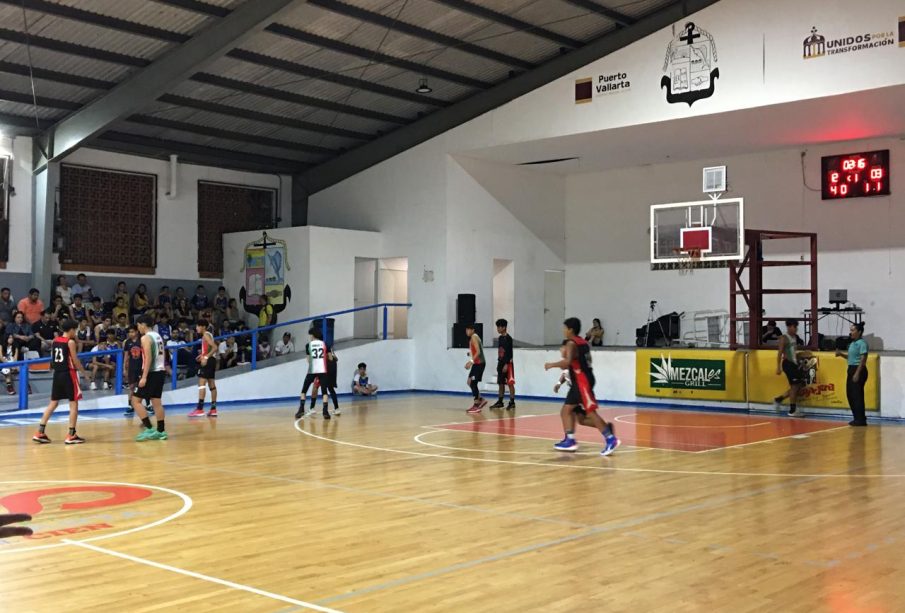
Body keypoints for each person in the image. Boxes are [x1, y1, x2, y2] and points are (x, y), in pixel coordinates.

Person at [544, 317, 620, 456]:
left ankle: (610, 438)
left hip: (581, 381)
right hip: (582, 379)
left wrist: (551, 365)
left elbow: (567, 362)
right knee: (570, 412)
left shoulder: (572, 343)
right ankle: (570, 439)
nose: (563, 330)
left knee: (589, 412)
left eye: (565, 328)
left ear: (570, 329)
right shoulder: (583, 342)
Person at [32, 319, 90, 445]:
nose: (76, 333)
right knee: (74, 404)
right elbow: (75, 361)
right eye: (75, 330)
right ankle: (71, 434)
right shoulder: (70, 342)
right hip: (69, 373)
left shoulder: (55, 340)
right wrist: (85, 374)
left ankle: (40, 431)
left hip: (57, 374)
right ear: (72, 330)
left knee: (53, 403)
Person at [131, 315, 169, 441]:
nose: (138, 328)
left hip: (151, 372)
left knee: (135, 401)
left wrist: (144, 377)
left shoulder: (146, 338)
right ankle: (161, 431)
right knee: (156, 402)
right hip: (160, 371)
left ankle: (149, 428)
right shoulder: (158, 336)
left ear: (143, 324)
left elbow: (148, 358)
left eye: (138, 325)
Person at [774, 319, 809, 417]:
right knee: (794, 387)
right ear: (789, 327)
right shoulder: (784, 338)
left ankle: (779, 399)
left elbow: (793, 353)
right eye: (794, 327)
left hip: (794, 364)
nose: (796, 329)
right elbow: (780, 353)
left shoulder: (795, 337)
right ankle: (792, 410)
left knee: (799, 385)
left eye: (796, 327)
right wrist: (778, 367)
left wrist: (802, 358)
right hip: (787, 364)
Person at [837, 322, 869, 427]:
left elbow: (863, 360)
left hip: (858, 369)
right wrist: (841, 354)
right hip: (851, 369)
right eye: (850, 330)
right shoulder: (852, 343)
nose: (850, 332)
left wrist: (857, 373)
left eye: (853, 330)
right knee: (850, 394)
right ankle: (857, 418)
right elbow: (851, 358)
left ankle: (860, 419)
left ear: (859, 332)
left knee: (857, 395)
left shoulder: (862, 343)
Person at [295, 327, 327, 419]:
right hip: (322, 370)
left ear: (313, 335)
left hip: (312, 370)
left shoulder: (308, 345)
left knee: (304, 390)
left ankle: (301, 409)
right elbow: (327, 357)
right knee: (324, 392)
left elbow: (308, 360)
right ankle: (325, 411)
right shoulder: (324, 344)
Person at [189, 320, 218, 418]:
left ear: (203, 327)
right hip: (212, 360)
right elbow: (209, 348)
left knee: (201, 384)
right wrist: (202, 354)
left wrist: (205, 357)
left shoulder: (205, 335)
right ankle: (213, 409)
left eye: (197, 326)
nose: (196, 328)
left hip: (208, 361)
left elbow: (214, 347)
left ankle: (200, 409)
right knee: (212, 385)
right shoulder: (208, 334)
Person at [489, 318, 515, 410]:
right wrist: (499, 363)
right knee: (500, 383)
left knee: (510, 383)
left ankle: (512, 402)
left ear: (504, 327)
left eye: (499, 327)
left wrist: (507, 364)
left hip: (508, 364)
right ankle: (500, 401)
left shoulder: (509, 339)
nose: (498, 329)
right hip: (501, 363)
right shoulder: (500, 338)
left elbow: (510, 353)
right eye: (497, 327)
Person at [464, 323, 487, 414]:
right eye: (466, 329)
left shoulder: (474, 337)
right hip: (477, 363)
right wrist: (471, 356)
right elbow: (476, 351)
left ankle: (476, 406)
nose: (467, 331)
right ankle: (480, 399)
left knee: (473, 383)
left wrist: (471, 361)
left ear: (473, 330)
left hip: (479, 363)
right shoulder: (474, 337)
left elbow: (478, 352)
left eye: (469, 329)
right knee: (469, 382)